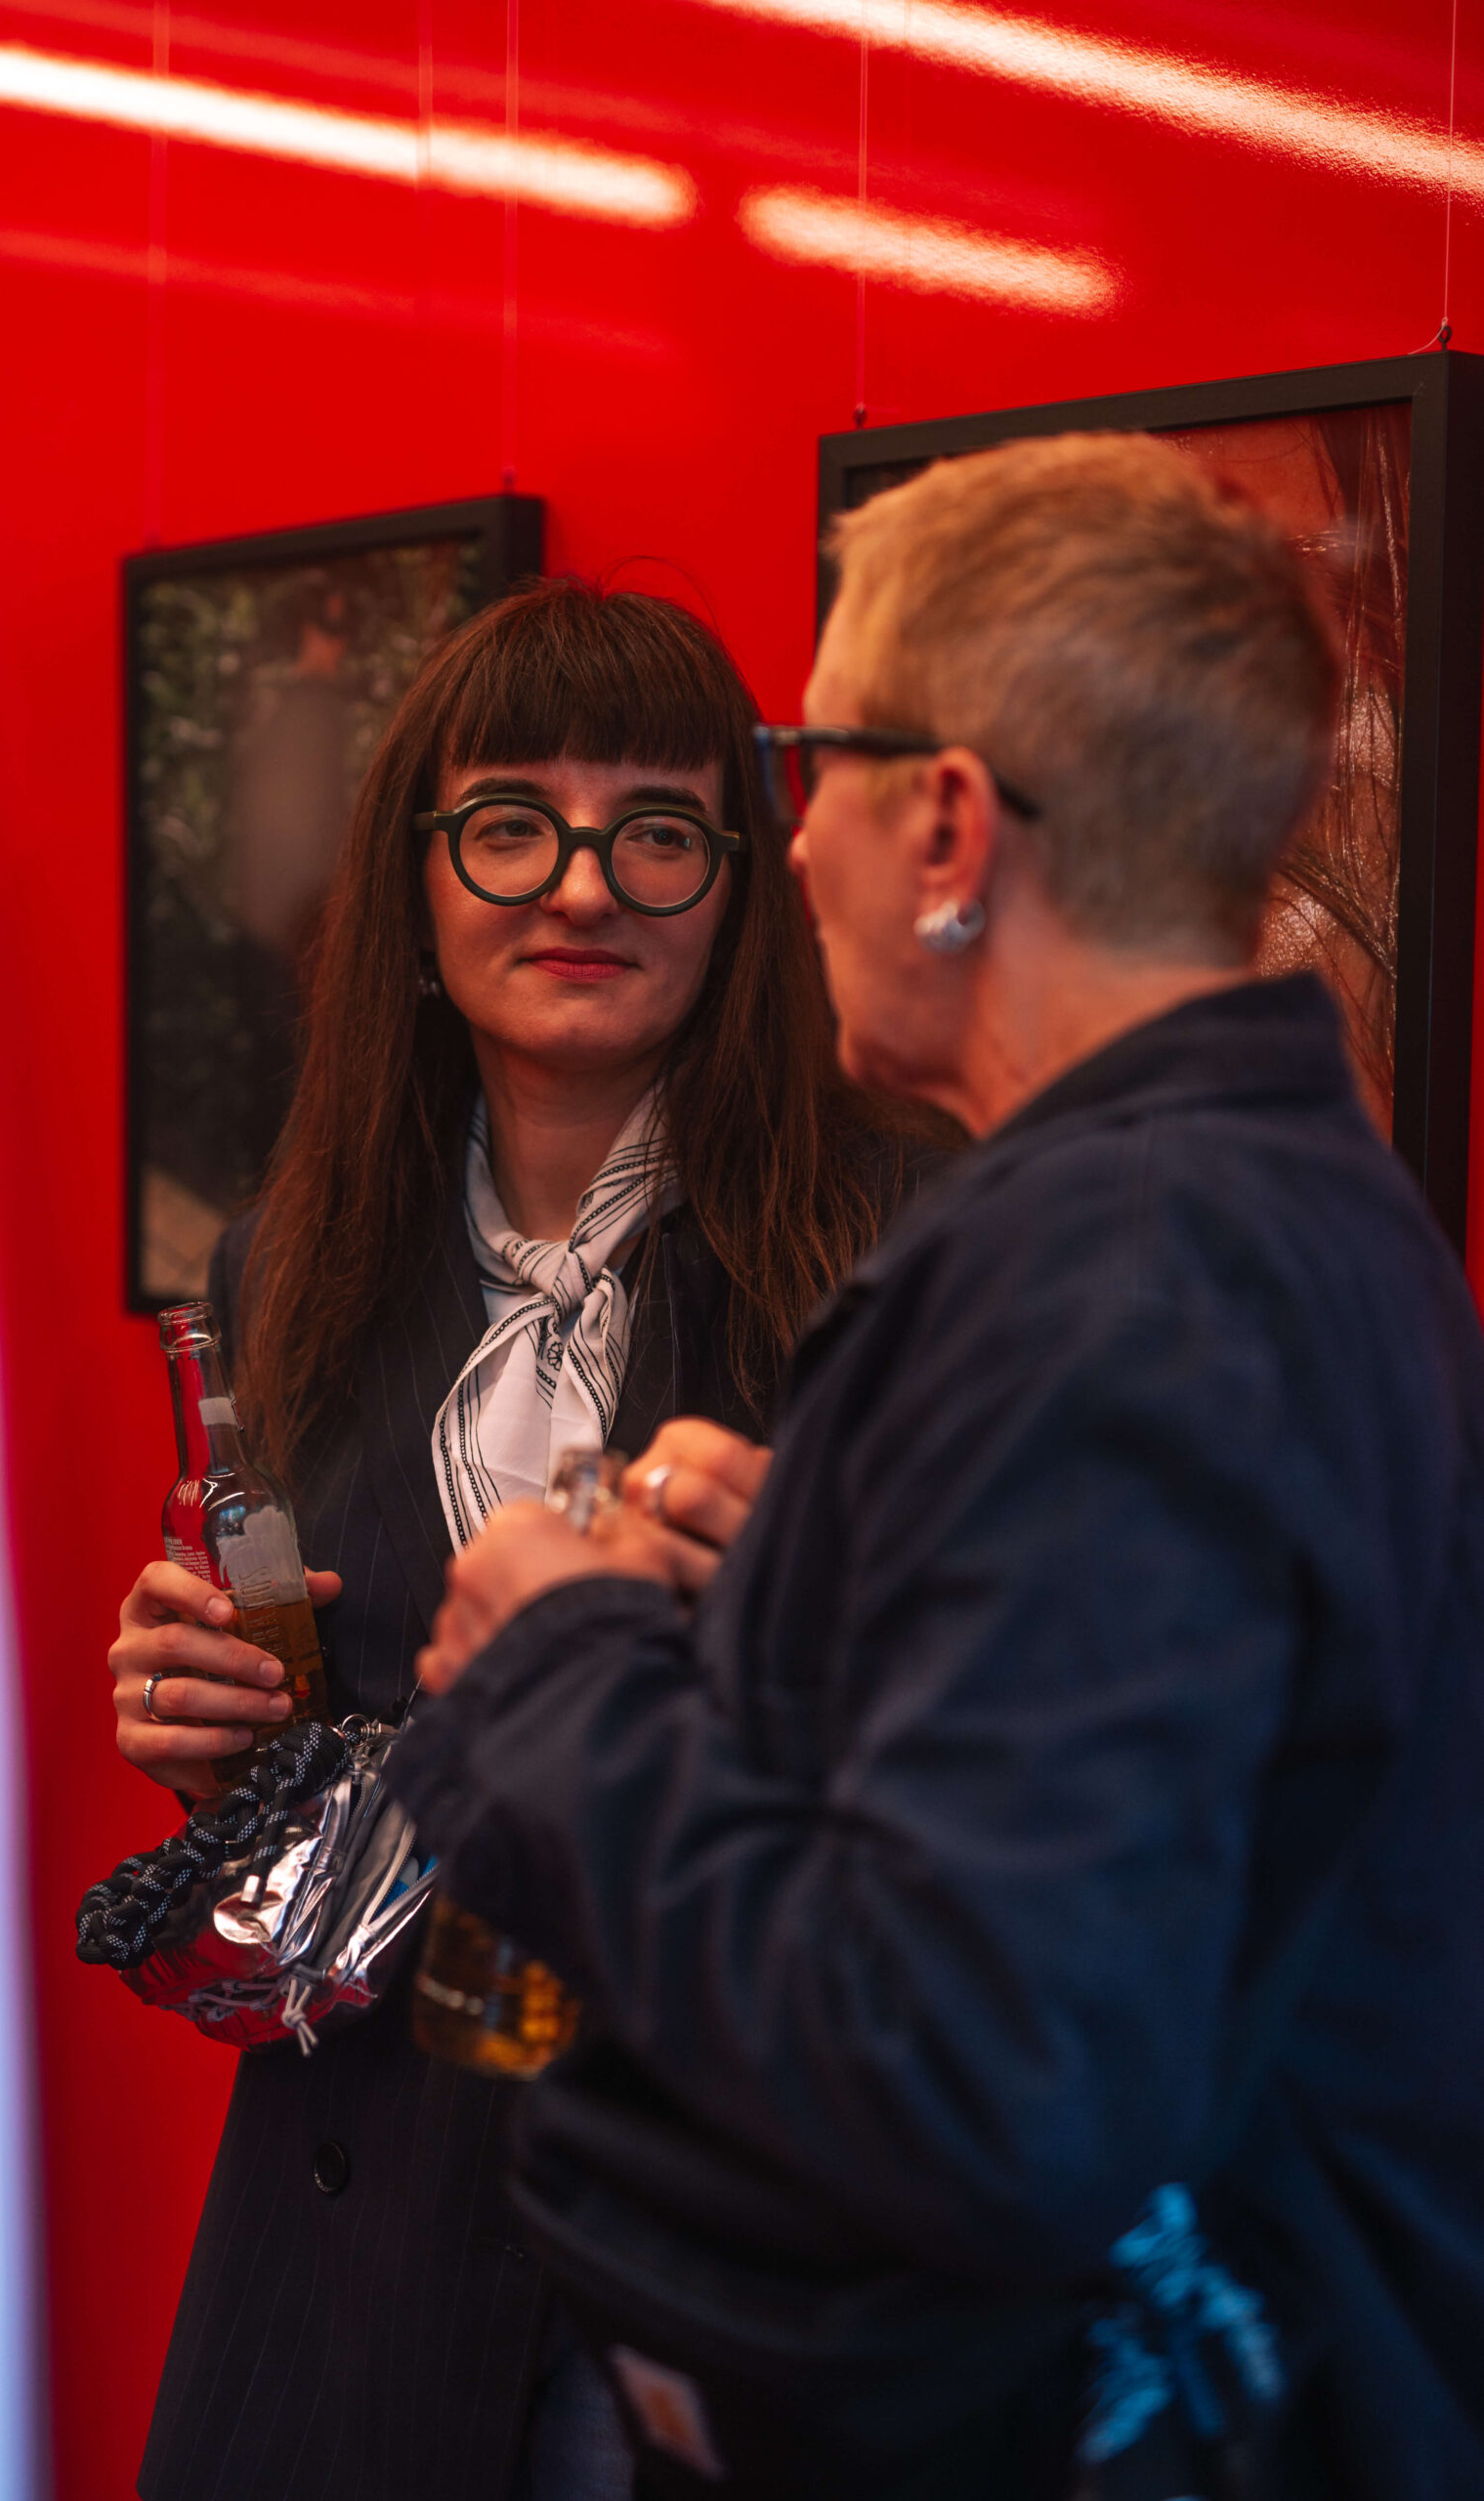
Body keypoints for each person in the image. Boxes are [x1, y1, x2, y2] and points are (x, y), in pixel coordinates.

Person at [388, 437, 1484, 2497]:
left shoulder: (1122, 1279)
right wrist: (801, 1608)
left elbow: (977, 2076)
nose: (793, 848)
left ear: (952, 827)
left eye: (815, 768)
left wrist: (556, 1669)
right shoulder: (1232, 1211)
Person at [107, 579, 934, 2501]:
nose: (580, 885)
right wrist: (210, 1734)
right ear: (415, 883)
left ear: (738, 887)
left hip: (719, 2210)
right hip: (362, 2210)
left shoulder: (898, 1237)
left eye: (655, 831)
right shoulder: (289, 1259)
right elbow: (318, 1726)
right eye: (509, 824)